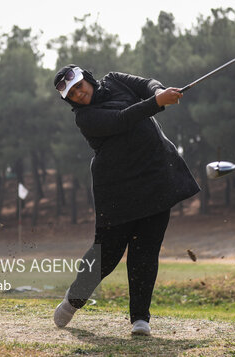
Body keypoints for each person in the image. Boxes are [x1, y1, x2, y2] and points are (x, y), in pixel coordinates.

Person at [52, 65, 200, 336]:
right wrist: (158, 102)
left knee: (146, 251)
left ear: (87, 78)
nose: (78, 93)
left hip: (155, 178)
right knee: (106, 255)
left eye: (78, 85)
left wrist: (159, 91)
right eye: (71, 94)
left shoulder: (116, 80)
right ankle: (74, 298)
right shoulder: (85, 118)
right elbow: (122, 119)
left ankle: (140, 319)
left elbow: (147, 84)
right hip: (117, 190)